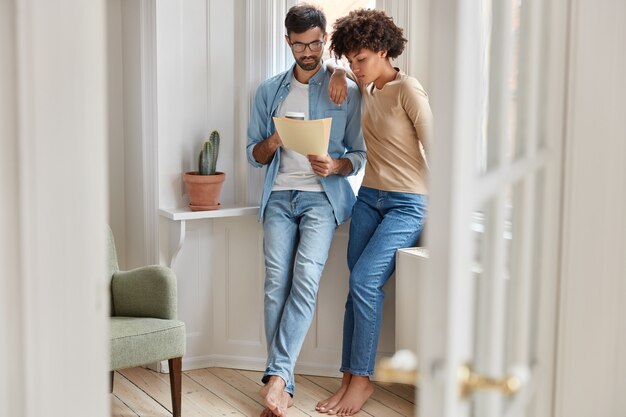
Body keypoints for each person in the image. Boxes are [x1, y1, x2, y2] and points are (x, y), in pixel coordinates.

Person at [246, 4, 365, 417]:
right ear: (288, 43)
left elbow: (359, 155)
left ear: (323, 40)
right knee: (275, 282)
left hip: (322, 199)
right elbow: (253, 155)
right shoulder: (268, 92)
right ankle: (283, 385)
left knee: (306, 279)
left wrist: (336, 166)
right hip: (279, 197)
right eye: (301, 45)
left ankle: (275, 380)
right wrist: (276, 140)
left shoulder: (342, 90)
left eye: (316, 43)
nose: (309, 52)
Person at [315, 9, 433, 416]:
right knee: (356, 288)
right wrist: (336, 71)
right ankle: (348, 376)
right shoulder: (364, 84)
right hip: (368, 198)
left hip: (406, 204)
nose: (355, 68)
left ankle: (362, 382)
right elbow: (341, 68)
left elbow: (439, 151)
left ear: (384, 50)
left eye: (361, 60)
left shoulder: (408, 90)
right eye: (351, 61)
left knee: (366, 281)